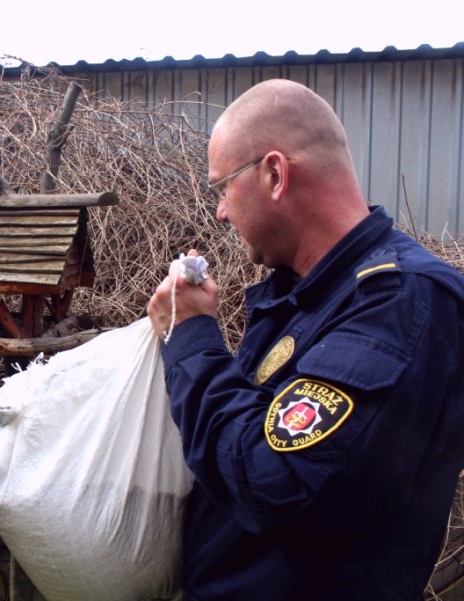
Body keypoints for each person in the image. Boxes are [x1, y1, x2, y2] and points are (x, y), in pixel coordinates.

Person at [147, 79, 464, 601]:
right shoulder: (310, 297)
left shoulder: (403, 303)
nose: (221, 212)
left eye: (222, 187)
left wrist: (192, 338)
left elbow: (268, 477)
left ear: (275, 174)